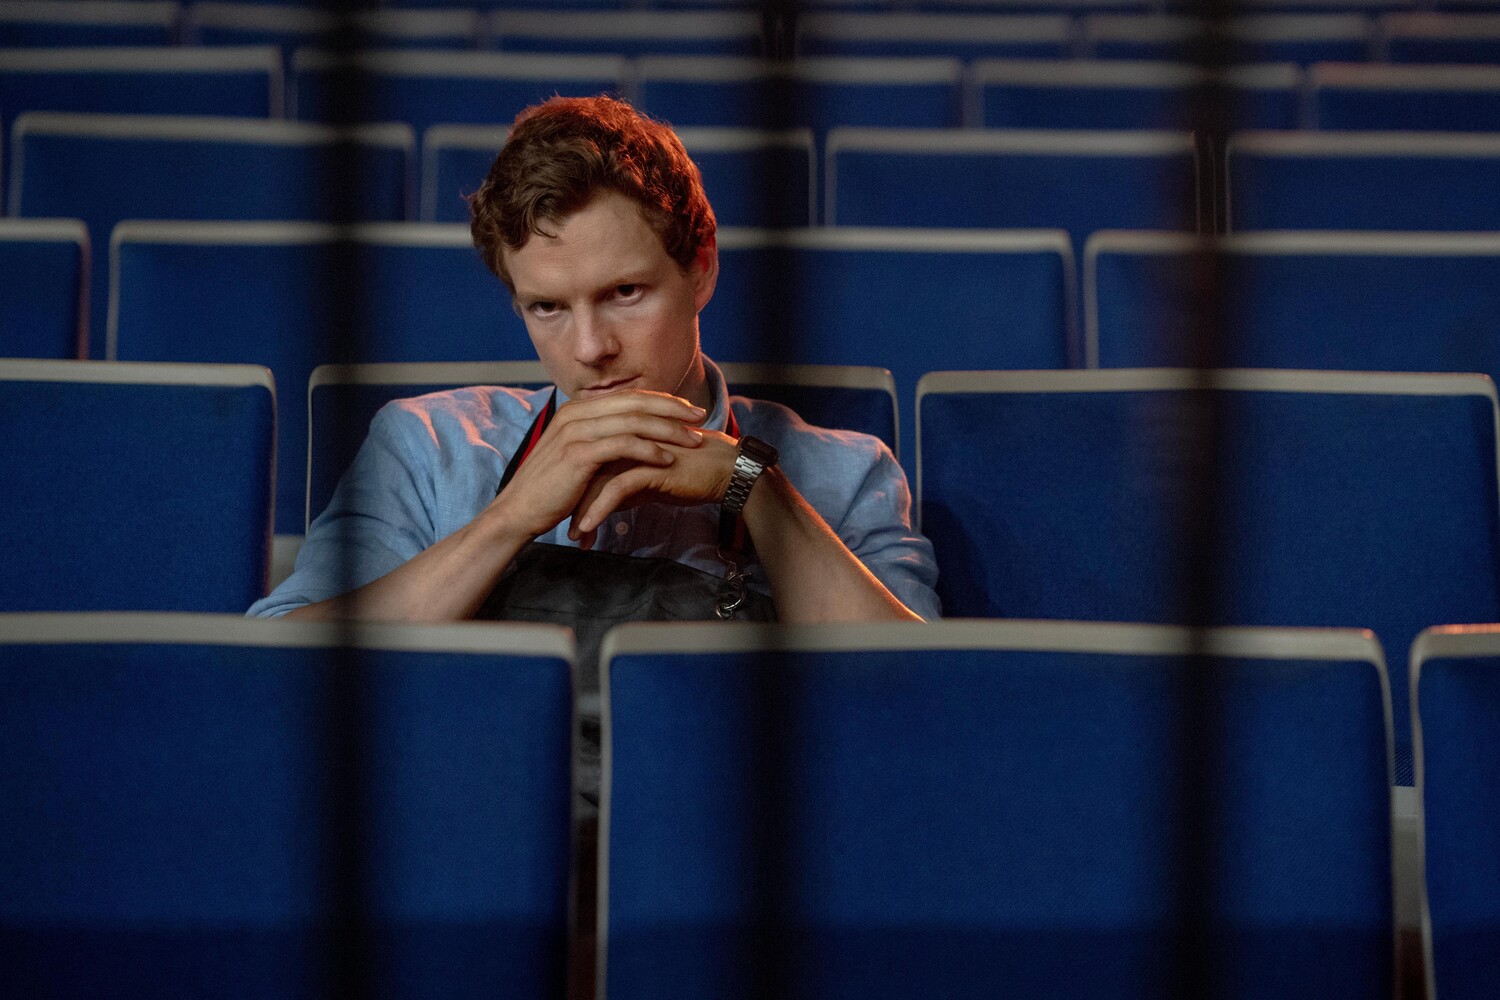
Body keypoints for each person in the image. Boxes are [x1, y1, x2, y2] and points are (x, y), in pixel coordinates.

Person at [249, 94, 939, 631]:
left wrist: (751, 486)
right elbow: (272, 669)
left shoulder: (848, 474)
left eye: (625, 293)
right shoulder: (425, 448)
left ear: (701, 268)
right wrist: (508, 519)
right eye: (548, 307)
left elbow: (924, 701)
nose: (590, 349)